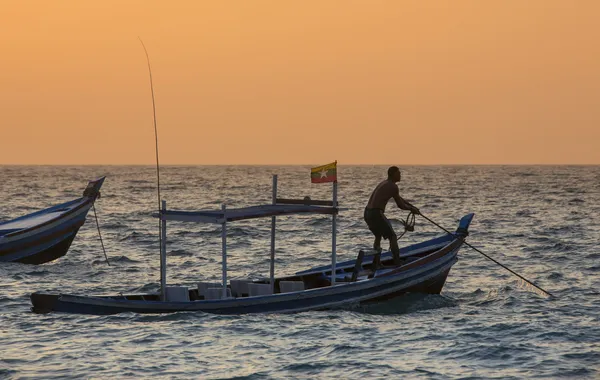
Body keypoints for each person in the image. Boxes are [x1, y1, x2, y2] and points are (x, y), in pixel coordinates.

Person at [364, 166, 420, 265]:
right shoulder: (393, 186)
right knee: (392, 236)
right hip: (376, 213)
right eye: (398, 173)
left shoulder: (385, 183)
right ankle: (397, 262)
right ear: (393, 174)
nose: (400, 175)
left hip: (367, 213)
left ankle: (376, 262)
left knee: (378, 236)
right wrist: (411, 209)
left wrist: (412, 206)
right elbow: (400, 205)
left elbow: (399, 198)